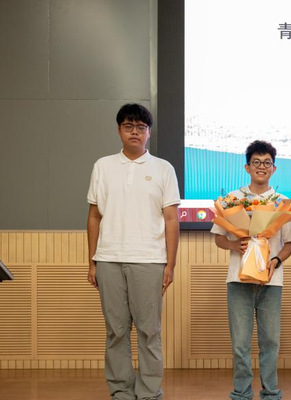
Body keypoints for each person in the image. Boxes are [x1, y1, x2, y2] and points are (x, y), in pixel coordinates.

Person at [87, 103, 180, 400]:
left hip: (149, 261)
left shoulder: (163, 168)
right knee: (116, 331)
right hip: (108, 260)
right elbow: (94, 216)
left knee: (149, 331)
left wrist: (170, 265)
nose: (135, 132)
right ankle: (121, 392)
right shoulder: (102, 166)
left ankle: (150, 392)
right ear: (119, 130)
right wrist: (92, 262)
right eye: (129, 126)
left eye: (141, 127)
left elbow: (171, 220)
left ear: (149, 132)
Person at [211, 140, 291, 400]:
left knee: (270, 342)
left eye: (267, 162)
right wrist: (234, 245)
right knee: (240, 343)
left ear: (274, 168)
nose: (262, 167)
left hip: (271, 281)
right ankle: (241, 393)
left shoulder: (282, 203)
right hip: (238, 280)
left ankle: (271, 393)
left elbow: (289, 244)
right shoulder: (232, 200)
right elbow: (219, 238)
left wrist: (275, 261)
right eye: (256, 162)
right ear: (247, 167)